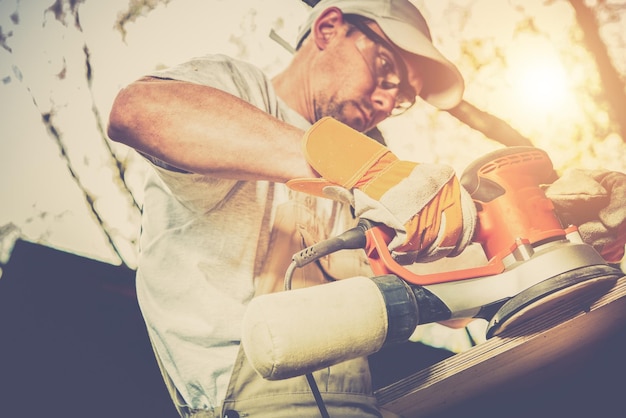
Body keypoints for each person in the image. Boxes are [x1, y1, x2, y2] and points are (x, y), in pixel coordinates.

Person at [107, 0, 626, 417]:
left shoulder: (372, 172)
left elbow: (425, 270)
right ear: (330, 27)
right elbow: (141, 111)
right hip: (245, 391)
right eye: (384, 69)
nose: (386, 100)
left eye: (402, 97)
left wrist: (553, 226)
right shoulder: (243, 91)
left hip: (349, 395)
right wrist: (360, 167)